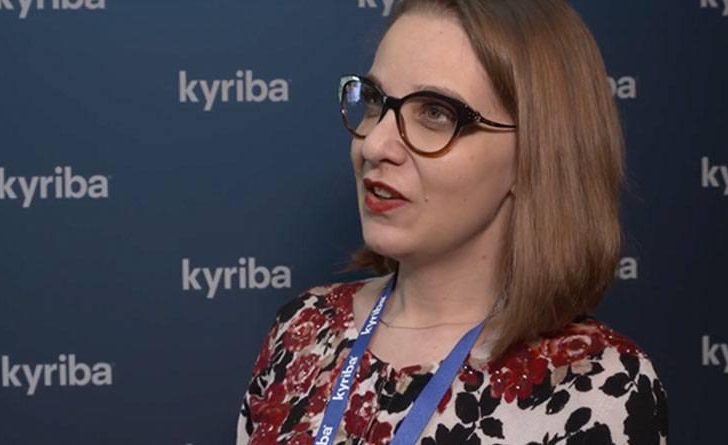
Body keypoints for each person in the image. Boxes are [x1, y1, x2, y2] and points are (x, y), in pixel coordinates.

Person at [237, 0, 668, 444]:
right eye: (375, 101)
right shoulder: (302, 330)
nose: (375, 144)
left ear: (535, 156)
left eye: (435, 113)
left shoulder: (597, 386)